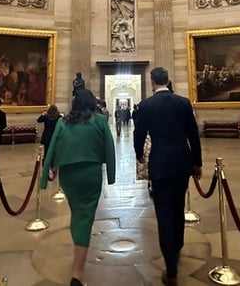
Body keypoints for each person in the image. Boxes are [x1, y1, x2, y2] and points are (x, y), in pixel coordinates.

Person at [39, 89, 116, 286]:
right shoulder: (99, 120)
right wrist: (112, 174)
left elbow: (53, 145)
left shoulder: (64, 122)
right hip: (90, 174)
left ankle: (78, 253)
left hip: (69, 176)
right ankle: (77, 273)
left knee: (77, 213)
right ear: (92, 103)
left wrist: (50, 169)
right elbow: (109, 145)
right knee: (85, 216)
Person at [133, 68, 202, 286]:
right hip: (182, 162)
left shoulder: (146, 106)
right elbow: (194, 134)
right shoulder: (183, 103)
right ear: (168, 81)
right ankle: (178, 245)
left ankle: (171, 266)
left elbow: (139, 134)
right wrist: (197, 162)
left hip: (160, 164)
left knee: (163, 213)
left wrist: (139, 155)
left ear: (152, 82)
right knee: (178, 206)